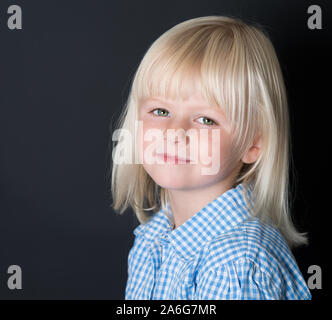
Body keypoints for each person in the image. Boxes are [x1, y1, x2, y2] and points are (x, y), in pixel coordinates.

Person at [110, 15, 312, 300]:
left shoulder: (236, 265)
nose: (174, 132)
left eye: (206, 119)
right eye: (161, 111)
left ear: (253, 143)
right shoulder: (151, 239)